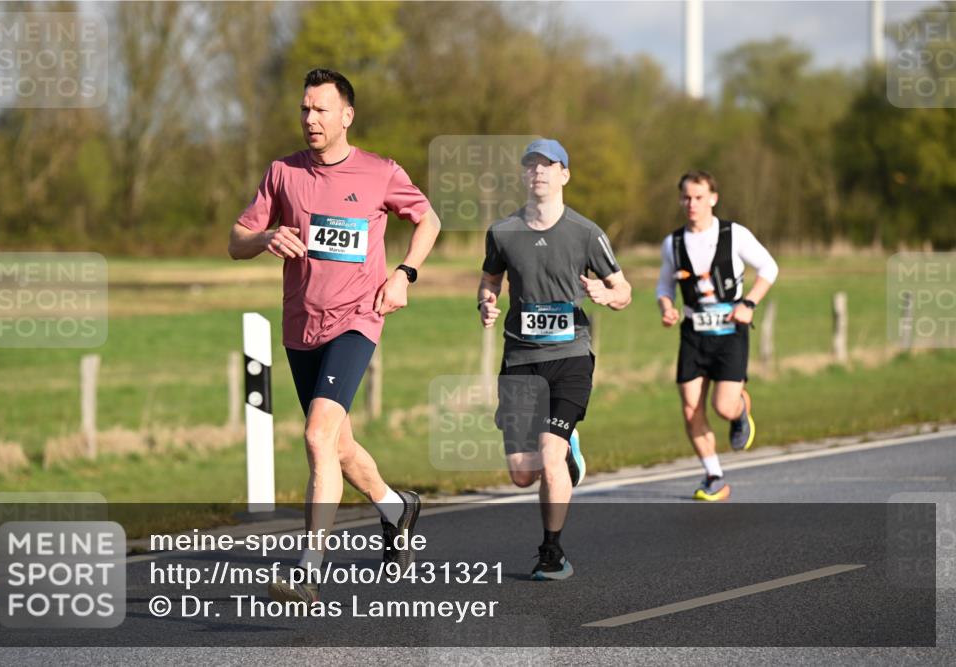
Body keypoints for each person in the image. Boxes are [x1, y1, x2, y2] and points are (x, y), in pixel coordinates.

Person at [229, 69, 441, 603]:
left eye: (320, 109)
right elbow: (236, 240)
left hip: (357, 319)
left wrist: (404, 274)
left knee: (317, 436)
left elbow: (428, 221)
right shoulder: (283, 172)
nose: (310, 118)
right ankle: (396, 508)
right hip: (301, 326)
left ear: (346, 115)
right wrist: (265, 237)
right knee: (339, 448)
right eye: (304, 109)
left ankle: (308, 570)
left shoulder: (380, 172)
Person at [478, 138, 632, 580]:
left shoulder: (586, 232)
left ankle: (552, 552)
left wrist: (606, 294)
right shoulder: (503, 231)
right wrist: (486, 302)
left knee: (548, 455)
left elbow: (624, 290)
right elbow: (490, 280)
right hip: (520, 360)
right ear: (524, 175)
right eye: (531, 165)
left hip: (570, 356)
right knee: (522, 475)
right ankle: (567, 450)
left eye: (548, 165)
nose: (539, 171)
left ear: (565, 174)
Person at [656, 170, 778, 501]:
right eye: (686, 197)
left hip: (729, 332)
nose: (691, 204)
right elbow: (664, 286)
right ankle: (714, 475)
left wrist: (749, 303)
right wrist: (666, 307)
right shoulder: (673, 243)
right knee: (690, 409)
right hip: (693, 333)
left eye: (698, 197)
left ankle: (739, 410)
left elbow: (769, 268)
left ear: (713, 198)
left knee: (722, 407)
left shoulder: (734, 234)